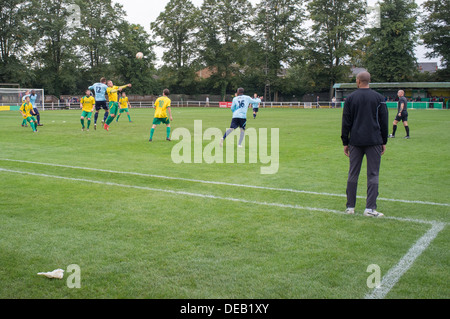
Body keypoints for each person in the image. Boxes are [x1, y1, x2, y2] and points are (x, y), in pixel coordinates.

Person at [341, 71, 389, 218]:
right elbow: (384, 121)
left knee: (353, 173)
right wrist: (383, 141)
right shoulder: (379, 98)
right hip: (374, 141)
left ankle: (350, 207)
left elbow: (346, 121)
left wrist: (345, 141)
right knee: (373, 174)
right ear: (369, 81)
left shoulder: (350, 98)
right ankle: (370, 209)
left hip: (355, 141)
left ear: (358, 81)